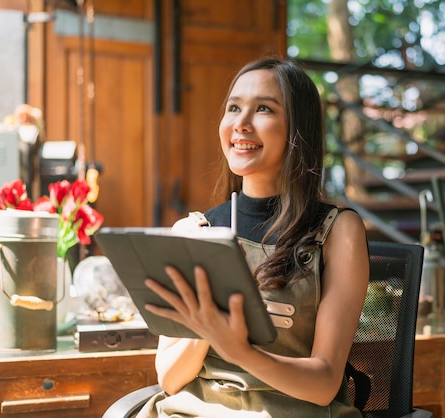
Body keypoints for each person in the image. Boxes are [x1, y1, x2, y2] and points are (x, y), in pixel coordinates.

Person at [138, 57, 369, 418]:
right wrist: (209, 323)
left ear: (297, 129)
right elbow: (169, 377)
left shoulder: (338, 231)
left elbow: (324, 385)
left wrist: (242, 351)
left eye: (263, 109)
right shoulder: (194, 230)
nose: (240, 124)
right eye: (233, 108)